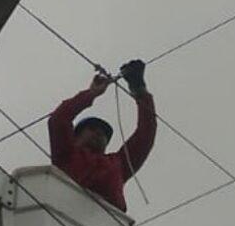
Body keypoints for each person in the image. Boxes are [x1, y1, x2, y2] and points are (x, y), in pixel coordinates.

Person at [47, 59, 156, 212]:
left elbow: (145, 135)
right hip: (66, 215)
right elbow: (58, 120)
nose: (99, 133)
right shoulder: (66, 154)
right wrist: (91, 93)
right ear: (75, 136)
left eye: (104, 134)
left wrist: (139, 89)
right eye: (91, 128)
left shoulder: (118, 164)